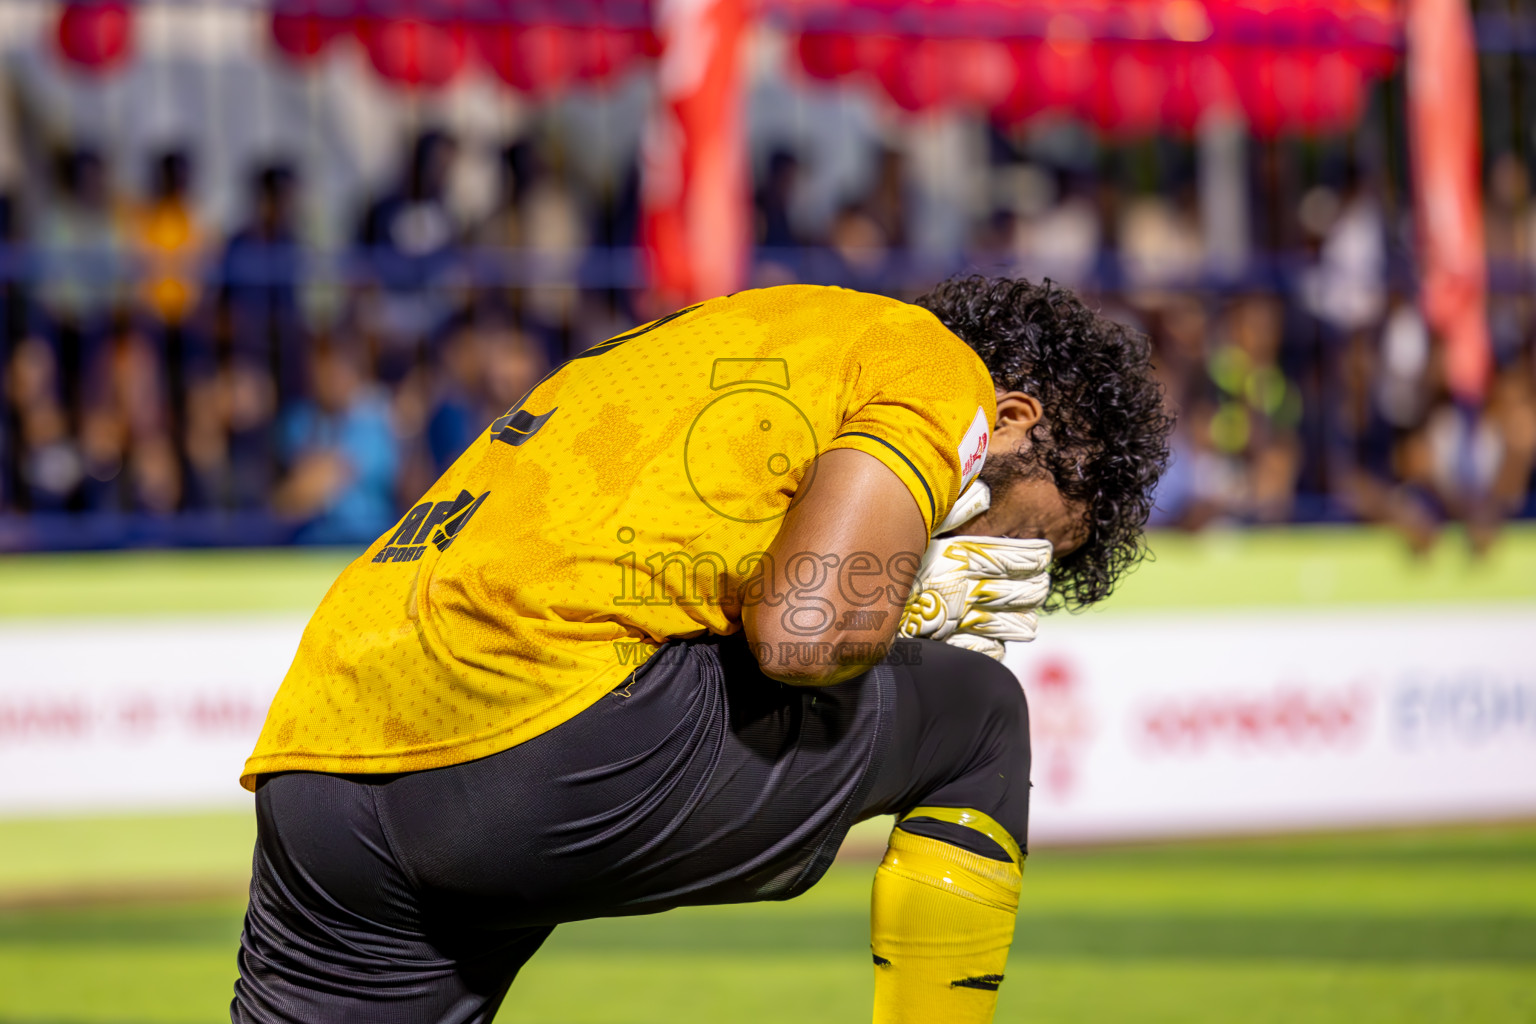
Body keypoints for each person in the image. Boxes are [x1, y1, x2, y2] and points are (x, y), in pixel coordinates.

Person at [232, 277, 1172, 1024]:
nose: (1002, 568)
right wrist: (893, 602)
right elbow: (806, 637)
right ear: (1012, 418)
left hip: (323, 754)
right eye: (1026, 538)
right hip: (536, 743)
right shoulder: (935, 368)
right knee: (980, 715)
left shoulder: (731, 333)